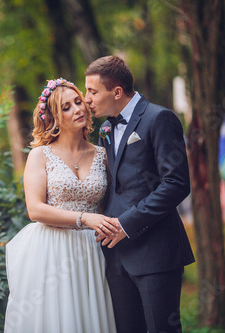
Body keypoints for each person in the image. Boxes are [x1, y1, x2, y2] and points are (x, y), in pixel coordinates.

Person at [84, 55, 195, 333]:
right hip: (115, 255)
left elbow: (176, 183)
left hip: (156, 251)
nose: (87, 98)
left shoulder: (160, 119)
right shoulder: (106, 127)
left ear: (117, 92)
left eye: (92, 91)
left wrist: (126, 224)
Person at [4, 78, 117, 332]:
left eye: (78, 102)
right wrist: (84, 218)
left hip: (93, 251)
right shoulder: (40, 156)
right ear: (53, 117)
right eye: (66, 107)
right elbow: (35, 209)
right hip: (52, 251)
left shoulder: (102, 154)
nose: (77, 109)